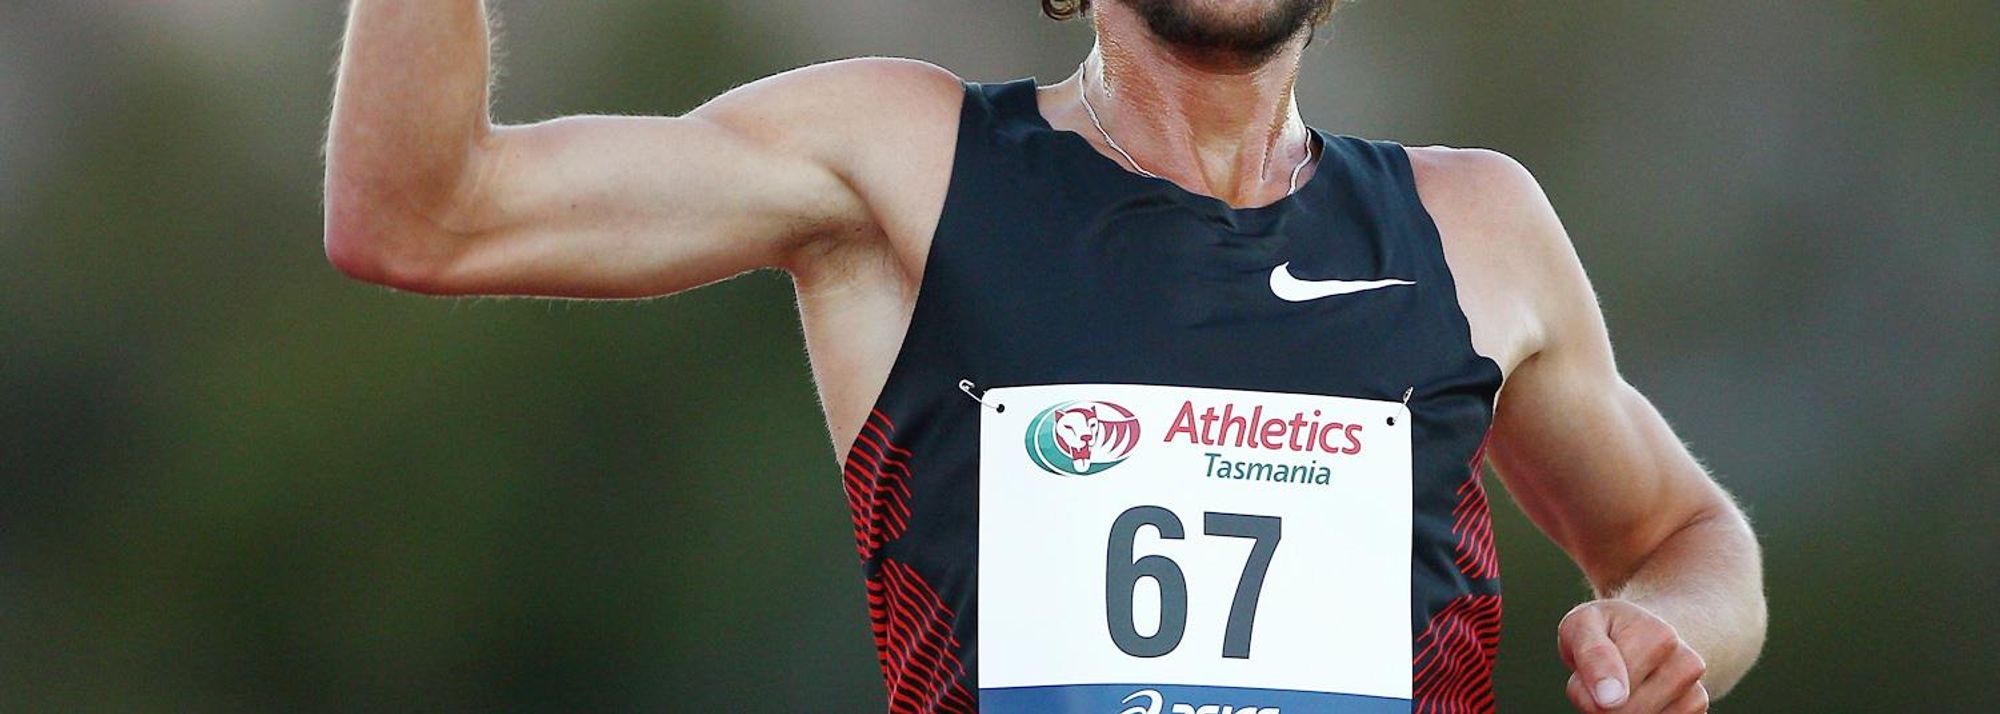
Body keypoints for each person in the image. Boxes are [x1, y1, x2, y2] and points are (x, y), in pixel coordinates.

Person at [323, 1, 1766, 712]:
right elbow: (422, 213)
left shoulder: (1475, 227)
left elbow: (1682, 537)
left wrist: (1666, 635)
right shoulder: (908, 163)